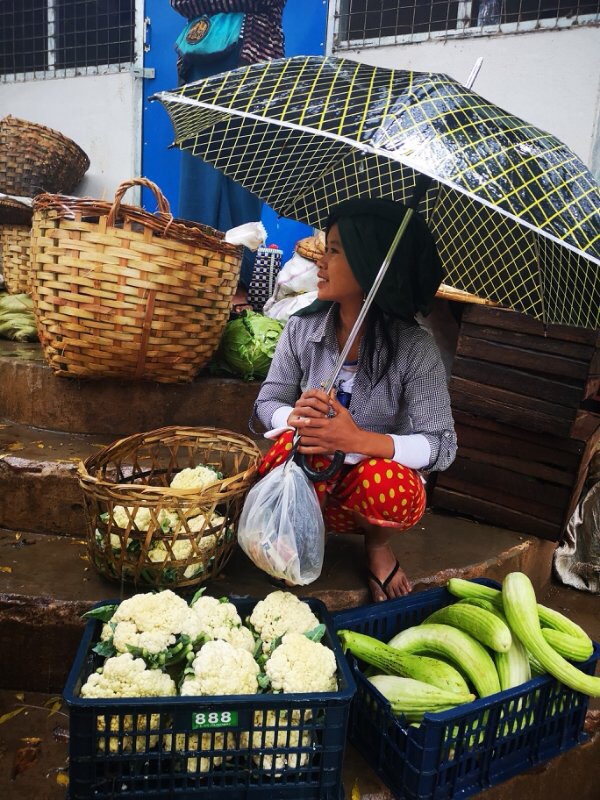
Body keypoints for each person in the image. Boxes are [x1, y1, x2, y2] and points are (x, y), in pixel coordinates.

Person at [251, 198, 457, 602]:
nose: (321, 263)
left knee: (389, 484)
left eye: (334, 251)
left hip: (369, 498)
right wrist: (295, 417)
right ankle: (302, 532)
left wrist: (356, 440)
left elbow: (441, 445)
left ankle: (377, 547)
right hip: (313, 486)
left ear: (371, 264)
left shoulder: (415, 350)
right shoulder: (301, 328)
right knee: (278, 454)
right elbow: (266, 402)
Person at [170, 1, 288, 308]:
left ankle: (239, 286)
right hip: (200, 56)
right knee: (198, 174)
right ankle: (197, 280)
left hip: (250, 54)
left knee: (244, 171)